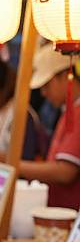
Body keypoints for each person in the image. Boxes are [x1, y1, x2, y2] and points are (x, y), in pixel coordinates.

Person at [20, 43, 80, 210]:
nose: (43, 93)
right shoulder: (68, 110)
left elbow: (65, 172)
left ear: (66, 75)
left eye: (47, 85)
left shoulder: (78, 112)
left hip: (69, 214)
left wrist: (16, 166)